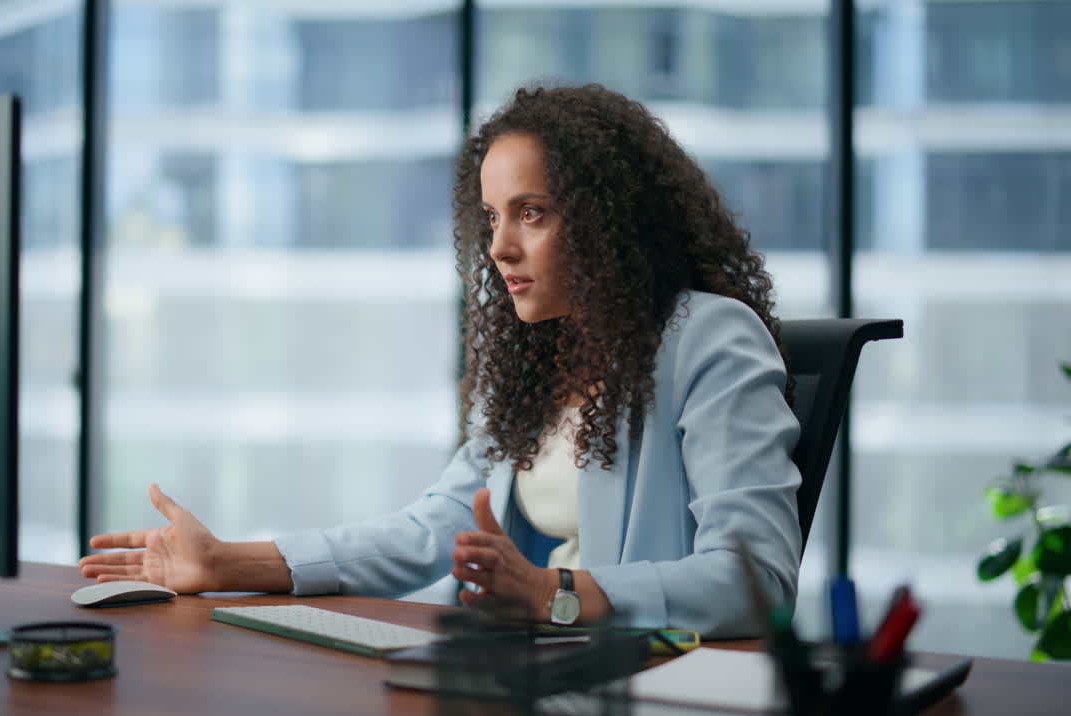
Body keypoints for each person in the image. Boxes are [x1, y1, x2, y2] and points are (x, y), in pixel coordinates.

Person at [79, 84, 802, 638]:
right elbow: (431, 532)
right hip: (538, 668)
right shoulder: (538, 364)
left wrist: (557, 593)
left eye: (533, 213)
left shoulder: (710, 340)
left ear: (610, 218)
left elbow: (756, 577)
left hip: (641, 684)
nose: (500, 247)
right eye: (491, 218)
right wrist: (229, 563)